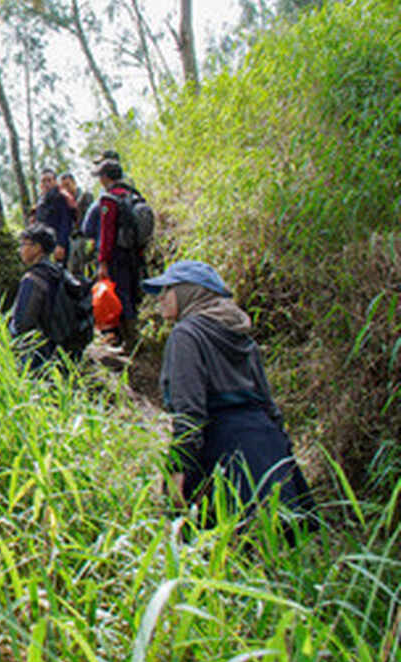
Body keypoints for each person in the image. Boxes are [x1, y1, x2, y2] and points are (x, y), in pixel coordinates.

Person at [143, 261, 316, 528]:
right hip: (267, 449)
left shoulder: (186, 335)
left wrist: (178, 470)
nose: (160, 298)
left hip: (223, 451)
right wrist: (285, 456)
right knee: (276, 541)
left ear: (189, 291)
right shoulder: (239, 333)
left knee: (223, 544)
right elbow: (268, 404)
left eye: (167, 290)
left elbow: (190, 413)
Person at [93, 159, 143, 349]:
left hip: (117, 255)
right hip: (134, 254)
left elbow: (107, 234)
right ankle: (133, 336)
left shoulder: (109, 200)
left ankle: (130, 341)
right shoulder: (132, 195)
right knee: (131, 292)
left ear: (105, 177)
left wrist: (102, 262)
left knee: (120, 295)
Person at [9, 224, 64, 369]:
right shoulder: (59, 273)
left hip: (38, 352)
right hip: (60, 348)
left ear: (37, 247)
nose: (20, 250)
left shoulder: (33, 279)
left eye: (23, 245)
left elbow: (22, 323)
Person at [34, 169, 72, 265]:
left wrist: (61, 244)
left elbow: (65, 222)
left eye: (49, 180)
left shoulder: (60, 198)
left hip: (57, 244)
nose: (46, 184)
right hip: (44, 245)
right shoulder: (41, 201)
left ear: (55, 182)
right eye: (43, 181)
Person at [59, 172, 93, 278]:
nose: (66, 189)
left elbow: (86, 218)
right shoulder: (64, 201)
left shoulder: (85, 196)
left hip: (84, 238)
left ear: (74, 183)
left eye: (68, 185)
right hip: (71, 240)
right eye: (63, 187)